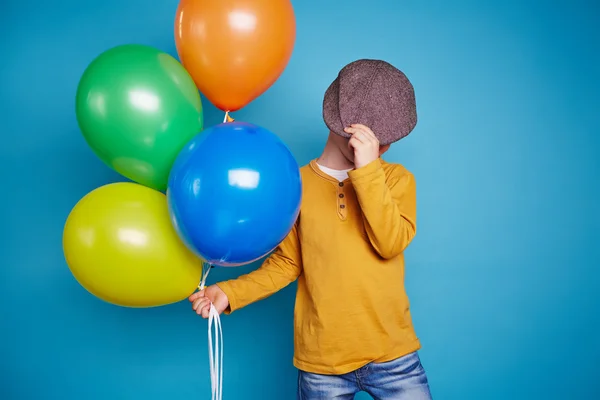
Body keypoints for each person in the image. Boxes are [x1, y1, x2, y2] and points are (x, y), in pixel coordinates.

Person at [189, 59, 432, 400]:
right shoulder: (296, 186)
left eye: (388, 139)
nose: (385, 146)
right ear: (340, 124)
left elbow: (390, 243)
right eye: (379, 137)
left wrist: (368, 171)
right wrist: (230, 293)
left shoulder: (394, 179)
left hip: (393, 356)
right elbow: (288, 263)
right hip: (322, 363)